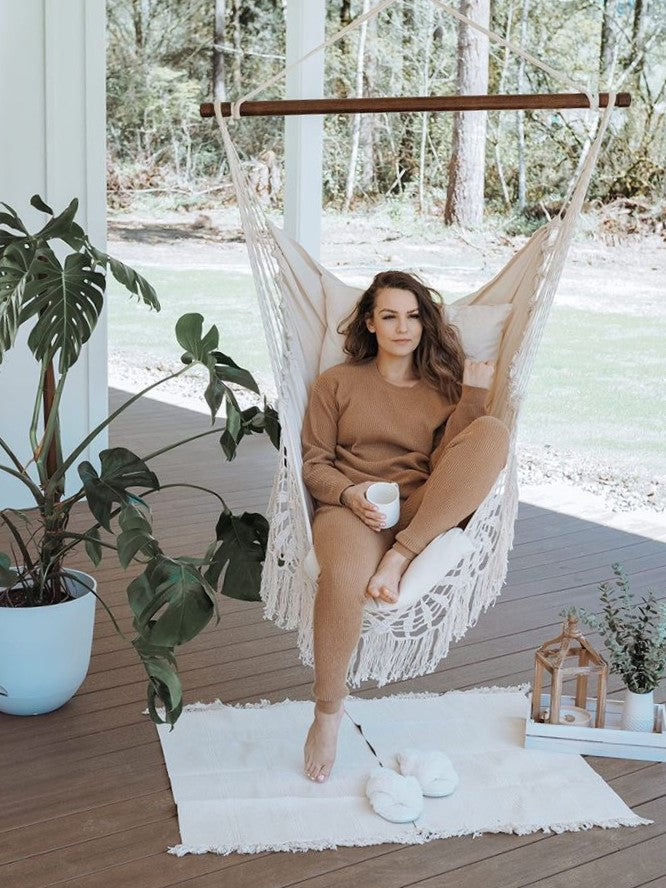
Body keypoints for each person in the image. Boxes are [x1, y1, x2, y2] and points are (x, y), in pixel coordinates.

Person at [300, 270, 510, 784]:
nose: (403, 327)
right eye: (390, 316)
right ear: (370, 323)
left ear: (425, 322)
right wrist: (348, 494)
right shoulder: (336, 383)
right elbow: (313, 463)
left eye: (413, 316)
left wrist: (473, 395)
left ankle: (401, 555)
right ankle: (328, 713)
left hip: (419, 510)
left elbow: (454, 463)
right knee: (342, 578)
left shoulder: (442, 388)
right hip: (352, 510)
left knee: (492, 433)